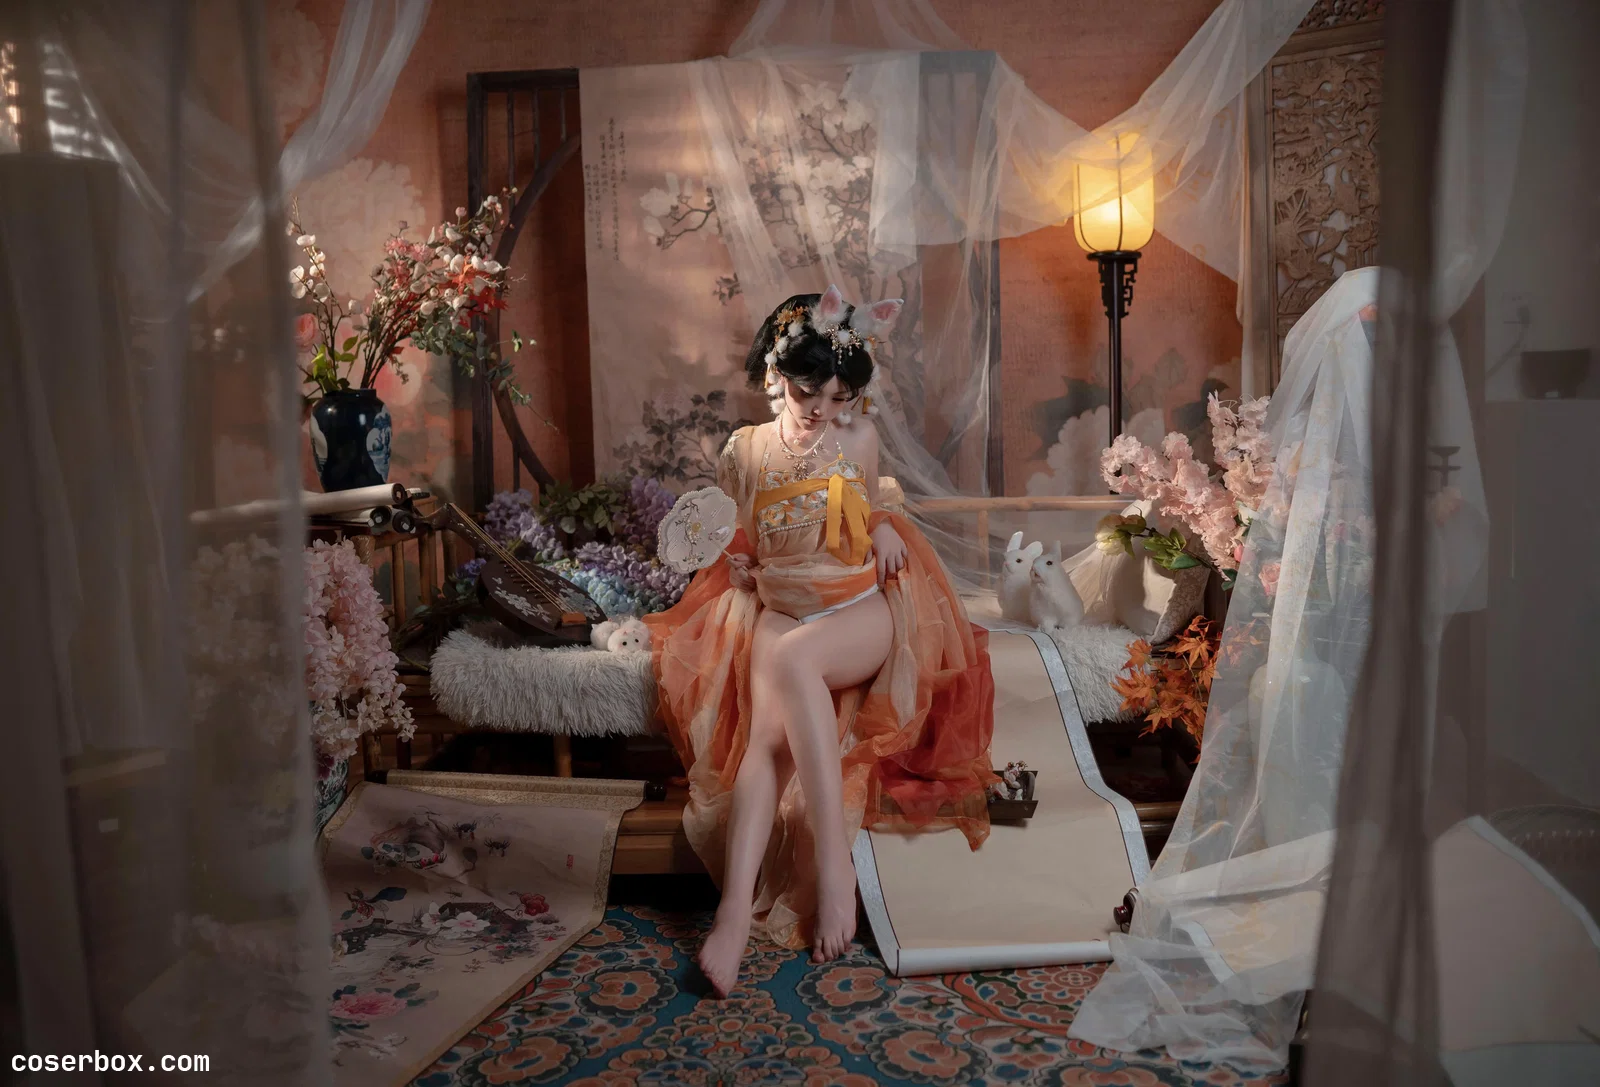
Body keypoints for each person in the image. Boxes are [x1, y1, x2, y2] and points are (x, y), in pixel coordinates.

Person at [643, 285, 997, 998]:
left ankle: (834, 864)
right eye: (810, 393)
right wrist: (737, 561)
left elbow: (873, 501)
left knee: (794, 657)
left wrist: (887, 525)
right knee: (766, 739)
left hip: (858, 605)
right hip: (782, 605)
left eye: (840, 398)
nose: (823, 411)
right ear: (778, 374)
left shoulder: (856, 438)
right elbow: (741, 534)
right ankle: (732, 915)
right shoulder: (745, 451)